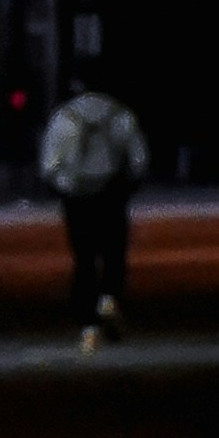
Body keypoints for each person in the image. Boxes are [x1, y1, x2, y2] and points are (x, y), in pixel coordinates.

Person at [40, 73, 152, 343]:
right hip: (111, 192)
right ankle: (109, 297)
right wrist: (128, 185)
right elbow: (139, 159)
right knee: (114, 253)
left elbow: (50, 163)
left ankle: (87, 322)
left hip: (77, 195)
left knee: (84, 258)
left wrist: (61, 187)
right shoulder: (120, 114)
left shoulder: (65, 117)